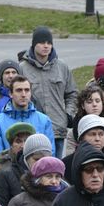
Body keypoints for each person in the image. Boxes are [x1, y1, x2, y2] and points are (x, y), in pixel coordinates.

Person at [19, 26, 78, 157]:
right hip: (32, 130)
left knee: (55, 170)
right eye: (42, 42)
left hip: (57, 129)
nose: (46, 46)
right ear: (34, 45)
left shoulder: (62, 67)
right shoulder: (22, 68)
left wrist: (67, 114)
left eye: (49, 43)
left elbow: (72, 94)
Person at [0, 75, 55, 165]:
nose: (23, 94)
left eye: (27, 90)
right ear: (10, 94)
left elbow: (50, 155)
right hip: (8, 175)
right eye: (19, 90)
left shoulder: (44, 121)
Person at [63, 86, 104, 169]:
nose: (94, 104)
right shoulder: (73, 133)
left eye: (97, 101)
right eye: (89, 101)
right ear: (83, 105)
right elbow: (71, 159)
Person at [62, 114, 104, 190]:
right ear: (81, 139)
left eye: (101, 134)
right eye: (92, 134)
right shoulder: (67, 163)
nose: (97, 139)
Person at [0, 133, 52, 206]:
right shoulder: (7, 175)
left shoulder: (56, 177)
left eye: (46, 160)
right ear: (26, 158)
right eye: (37, 159)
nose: (41, 164)